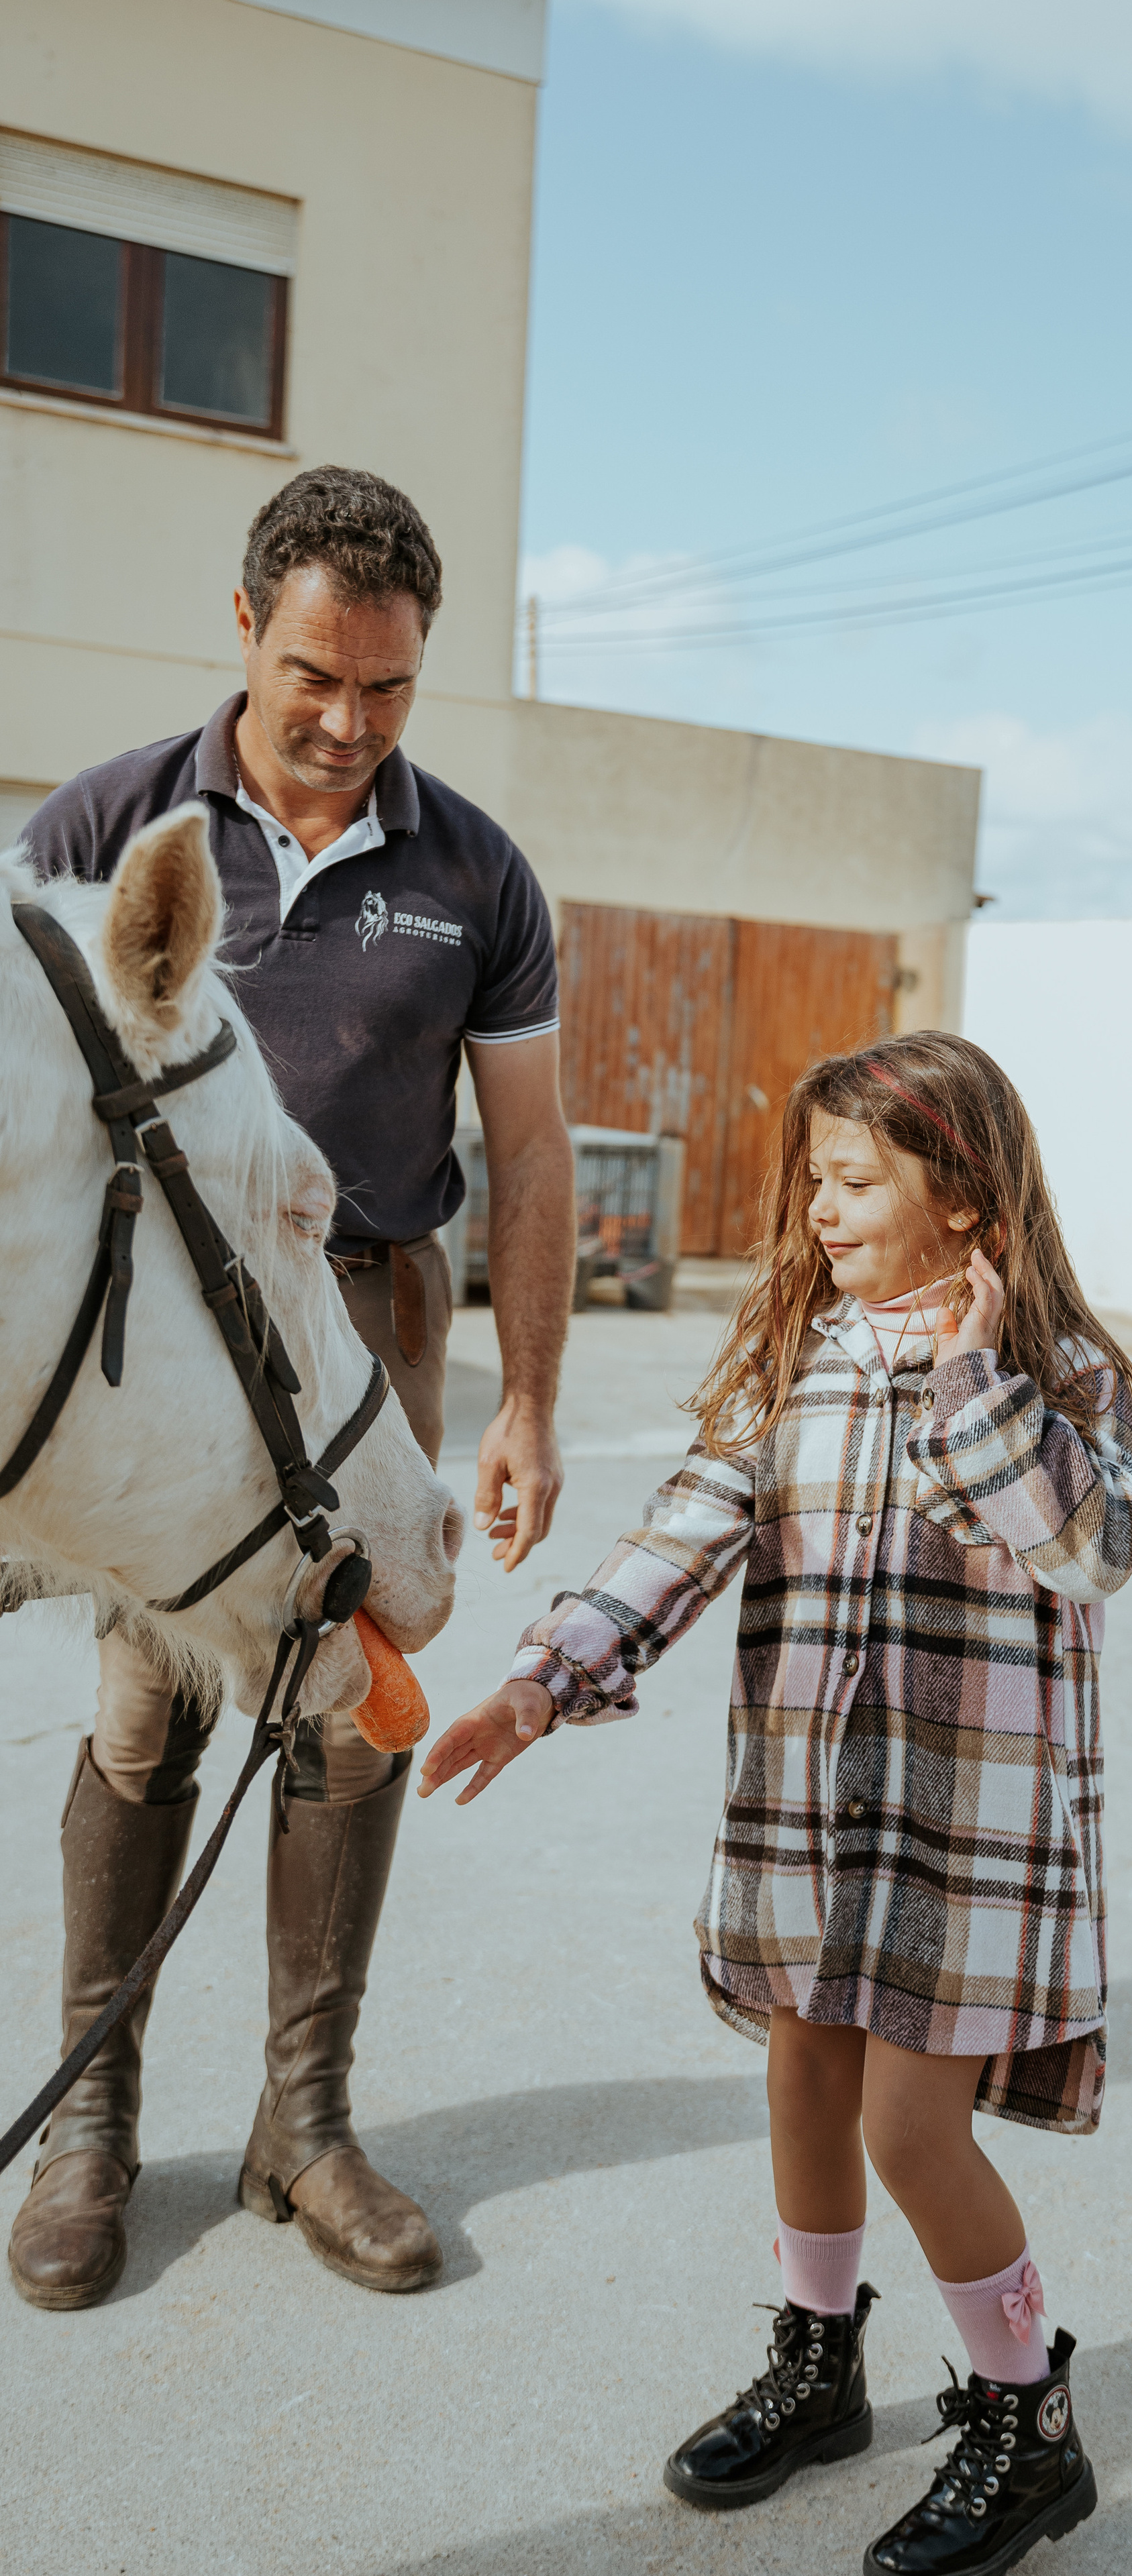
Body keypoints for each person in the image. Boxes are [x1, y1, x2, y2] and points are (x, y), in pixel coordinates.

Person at [420, 1030, 1132, 2576]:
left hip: (971, 1829)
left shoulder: (1068, 1379)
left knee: (909, 2128)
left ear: (964, 1193)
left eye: (853, 1179)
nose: (817, 1209)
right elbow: (684, 1531)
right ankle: (822, 2367)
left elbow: (1079, 1549)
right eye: (810, 1178)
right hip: (809, 1808)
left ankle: (1028, 2426)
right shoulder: (797, 1353)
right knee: (801, 2085)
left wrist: (966, 1372)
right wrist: (545, 1679)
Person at [8, 467, 576, 2313]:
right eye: (317, 673)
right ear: (243, 629)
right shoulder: (110, 819)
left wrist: (528, 1398)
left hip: (373, 1319)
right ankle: (92, 2127)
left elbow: (537, 1155)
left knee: (355, 1701)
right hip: (169, 1332)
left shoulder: (476, 873)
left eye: (392, 687)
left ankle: (304, 2127)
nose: (348, 721)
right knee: (146, 1703)